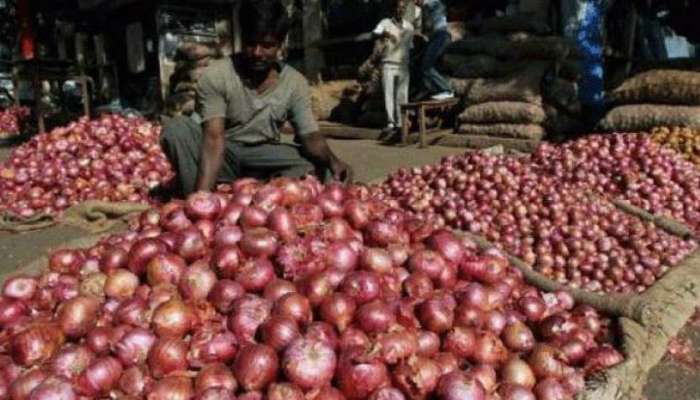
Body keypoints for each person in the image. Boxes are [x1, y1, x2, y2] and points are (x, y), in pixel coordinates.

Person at [160, 0, 353, 196]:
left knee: (321, 166)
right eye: (251, 44)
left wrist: (333, 161)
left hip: (264, 155)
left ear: (281, 43)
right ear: (242, 39)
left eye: (267, 45)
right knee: (176, 129)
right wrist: (203, 198)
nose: (257, 53)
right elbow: (213, 137)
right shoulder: (217, 75)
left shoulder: (295, 83)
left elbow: (309, 135)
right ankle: (212, 192)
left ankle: (249, 189)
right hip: (225, 151)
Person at [372, 0, 415, 136]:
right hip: (388, 63)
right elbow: (374, 33)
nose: (400, 10)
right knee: (388, 94)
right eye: (398, 8)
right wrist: (386, 34)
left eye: (402, 8)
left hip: (403, 64)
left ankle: (401, 122)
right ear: (393, 9)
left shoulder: (409, 27)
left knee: (402, 95)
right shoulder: (385, 23)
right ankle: (390, 123)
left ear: (405, 10)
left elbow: (411, 47)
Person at [414, 0, 454, 101]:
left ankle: (446, 90)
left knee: (426, 66)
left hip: (440, 37)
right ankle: (428, 88)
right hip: (434, 38)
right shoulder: (424, 9)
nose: (414, 3)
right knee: (417, 62)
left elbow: (439, 7)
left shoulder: (432, 4)